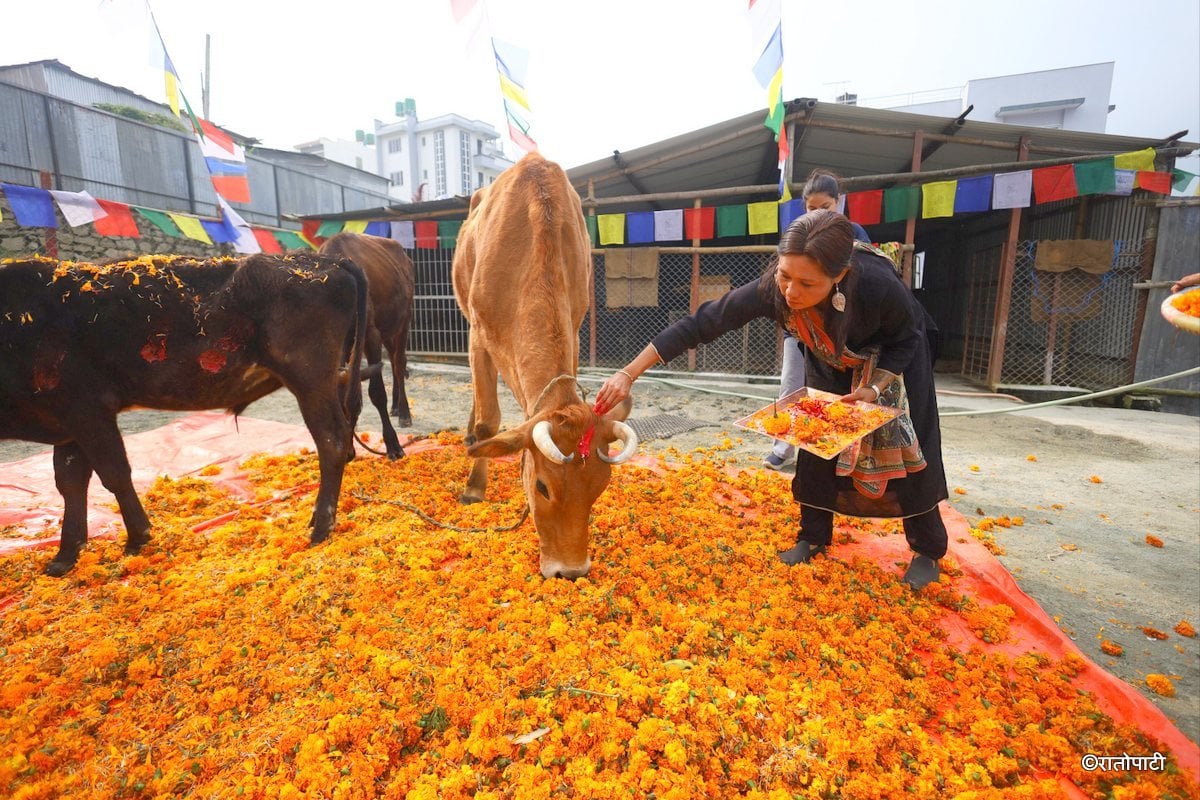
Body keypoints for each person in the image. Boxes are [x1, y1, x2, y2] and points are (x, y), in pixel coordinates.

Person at [596, 209, 949, 590]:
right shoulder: (776, 289)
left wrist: (874, 388)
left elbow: (908, 337)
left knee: (913, 448)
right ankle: (812, 536)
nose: (791, 293)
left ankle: (927, 550)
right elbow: (703, 323)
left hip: (897, 360)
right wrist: (627, 373)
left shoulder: (878, 285)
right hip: (829, 353)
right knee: (815, 434)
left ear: (840, 276)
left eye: (807, 284)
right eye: (785, 276)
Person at [763, 170, 871, 470]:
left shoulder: (854, 234)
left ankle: (837, 454)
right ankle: (783, 447)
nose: (819, 213)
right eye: (812, 208)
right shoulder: (797, 233)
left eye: (826, 207)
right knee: (791, 384)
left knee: (836, 394)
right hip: (799, 326)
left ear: (838, 202)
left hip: (837, 329)